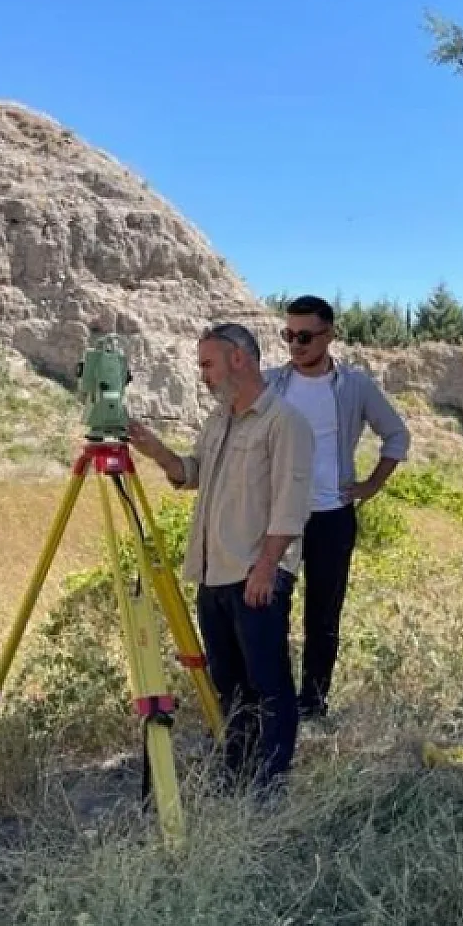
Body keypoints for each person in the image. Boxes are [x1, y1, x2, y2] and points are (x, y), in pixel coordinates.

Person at [128, 323, 313, 795]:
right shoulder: (218, 422)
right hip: (213, 575)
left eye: (207, 364)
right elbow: (192, 474)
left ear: (238, 359)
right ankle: (237, 769)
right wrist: (155, 451)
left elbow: (291, 504)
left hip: (256, 576)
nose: (203, 375)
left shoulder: (283, 421)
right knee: (229, 685)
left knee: (268, 684)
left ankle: (271, 783)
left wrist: (267, 568)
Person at [263, 295, 411, 718]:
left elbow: (396, 436)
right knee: (268, 606)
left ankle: (312, 699)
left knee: (323, 612)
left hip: (332, 515)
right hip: (277, 515)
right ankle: (272, 698)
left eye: (305, 336)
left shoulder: (355, 386)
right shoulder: (272, 384)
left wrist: (370, 486)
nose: (296, 344)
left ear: (329, 335)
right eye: (288, 335)